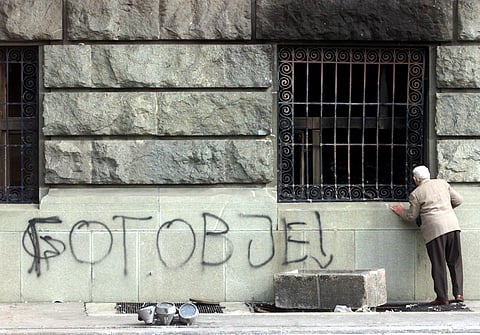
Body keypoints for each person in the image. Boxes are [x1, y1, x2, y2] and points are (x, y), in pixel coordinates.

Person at [390, 165, 464, 305]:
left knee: (439, 263)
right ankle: (459, 294)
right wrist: (445, 209)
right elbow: (459, 200)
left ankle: (442, 298)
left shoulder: (416, 194)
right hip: (453, 226)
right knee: (455, 261)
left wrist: (400, 211)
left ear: (415, 179)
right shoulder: (442, 183)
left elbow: (412, 216)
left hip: (434, 231)